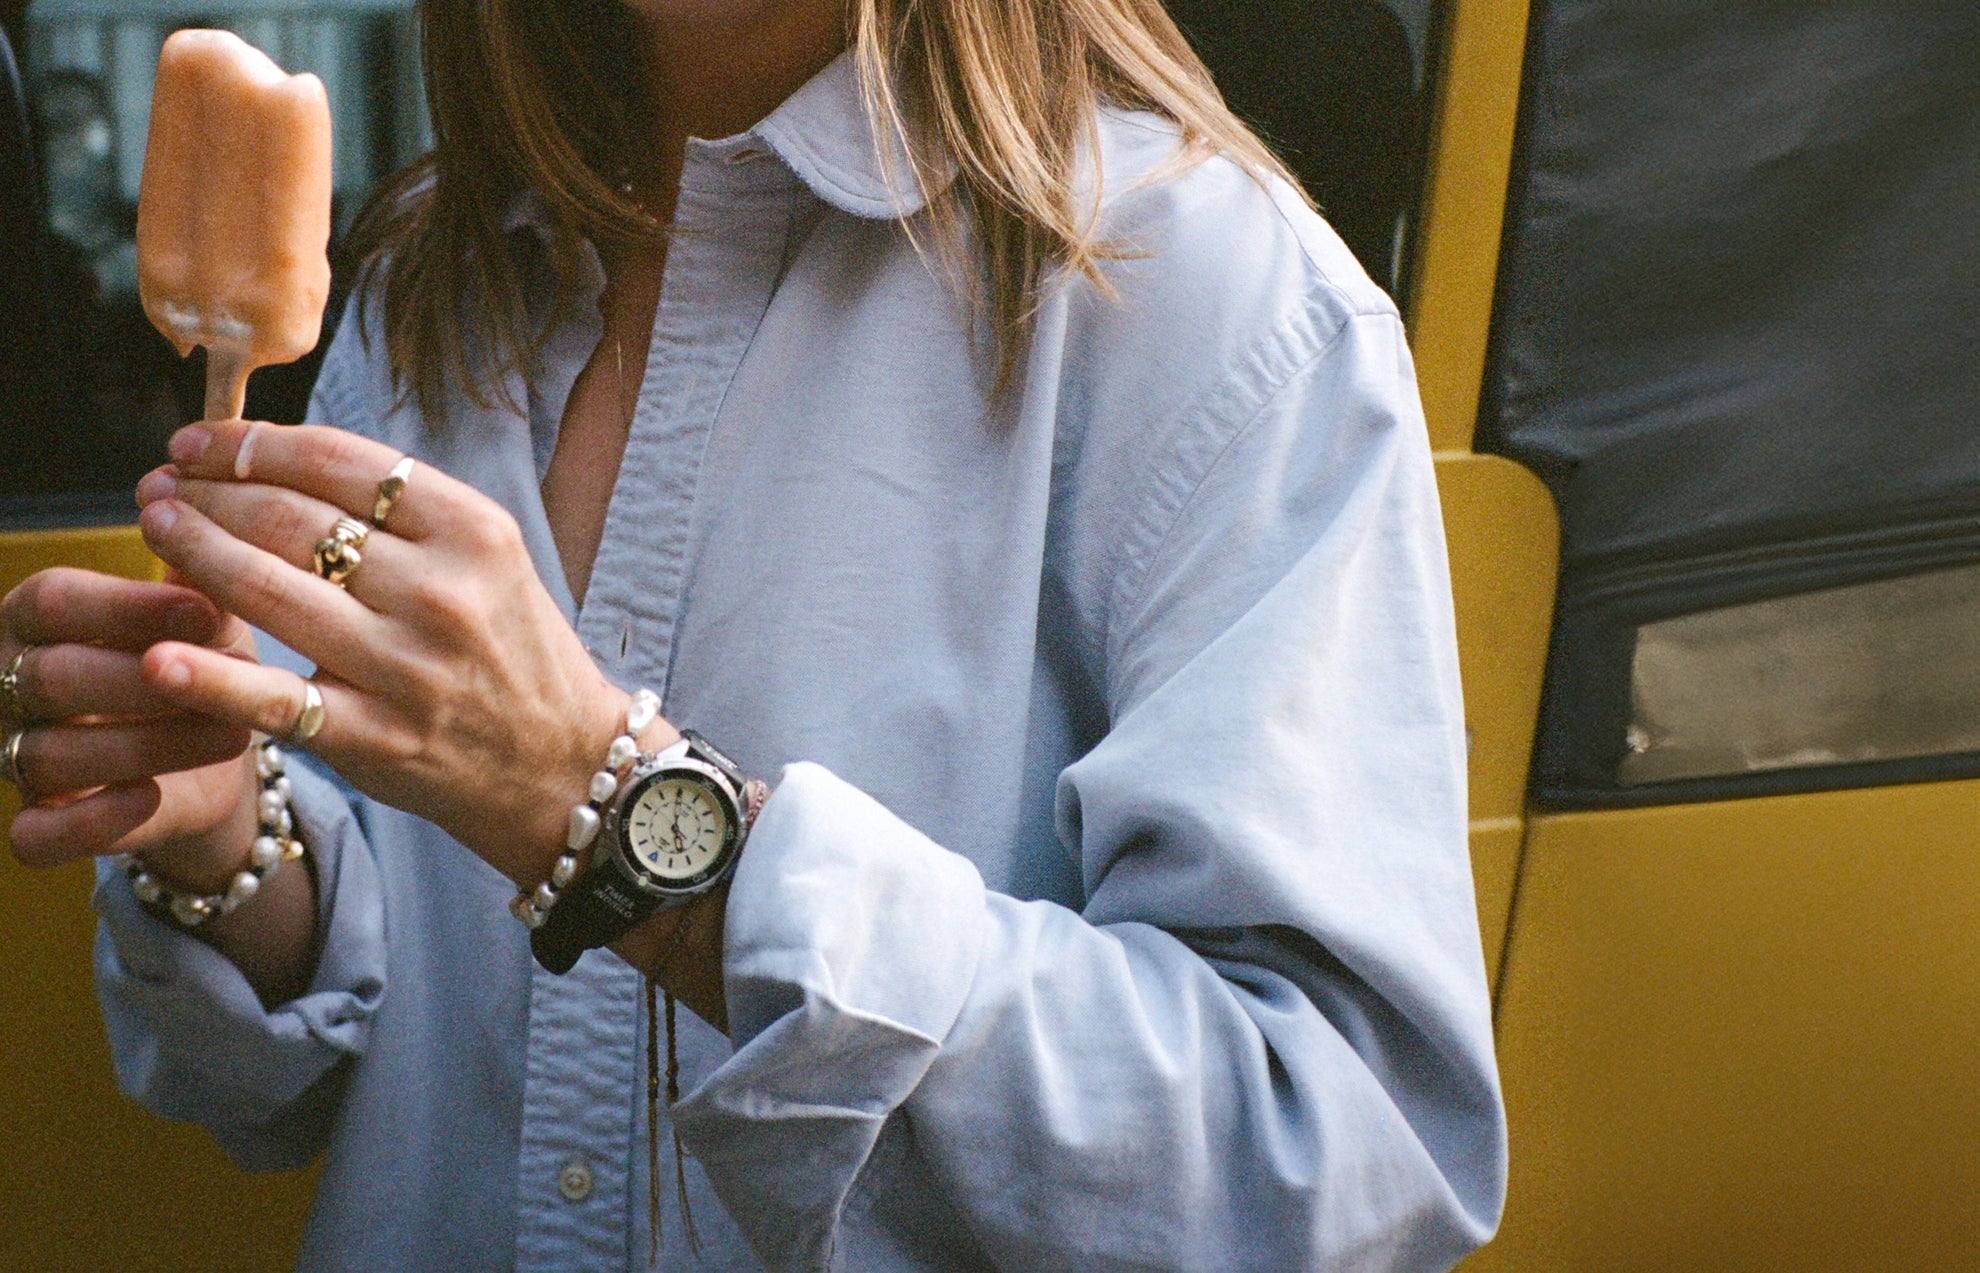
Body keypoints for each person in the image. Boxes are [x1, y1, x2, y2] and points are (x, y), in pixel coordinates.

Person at [0, 0, 1505, 1267]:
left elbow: (1332, 1165)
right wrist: (230, 846)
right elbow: (360, 1083)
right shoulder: (415, 287)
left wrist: (619, 822)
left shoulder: (1211, 298)